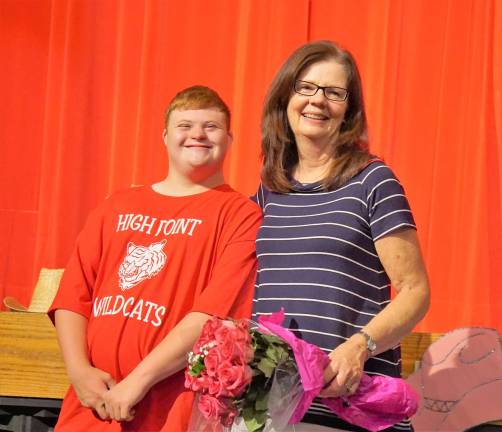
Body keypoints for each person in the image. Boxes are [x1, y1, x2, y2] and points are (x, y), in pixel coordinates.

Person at [49, 85, 262, 431]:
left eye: (211, 126)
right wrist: (79, 372)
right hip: (91, 406)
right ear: (165, 136)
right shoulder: (115, 205)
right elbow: (74, 297)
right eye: (185, 125)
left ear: (230, 138)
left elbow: (212, 317)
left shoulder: (240, 214)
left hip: (170, 409)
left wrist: (137, 382)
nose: (197, 134)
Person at [252, 40, 430, 432]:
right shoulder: (267, 191)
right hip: (271, 410)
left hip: (348, 409)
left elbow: (415, 291)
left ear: (348, 110)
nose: (318, 101)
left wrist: (359, 347)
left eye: (334, 93)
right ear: (286, 96)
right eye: (307, 87)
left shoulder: (373, 181)